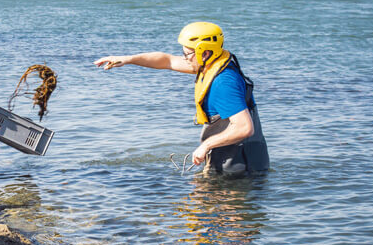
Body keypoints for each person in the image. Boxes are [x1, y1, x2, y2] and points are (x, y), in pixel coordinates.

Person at [94, 22, 269, 176]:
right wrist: (127, 59)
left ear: (205, 52)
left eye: (187, 53)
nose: (184, 58)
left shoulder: (224, 82)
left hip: (240, 169)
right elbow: (167, 61)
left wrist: (206, 146)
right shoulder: (211, 63)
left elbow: (244, 128)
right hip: (232, 160)